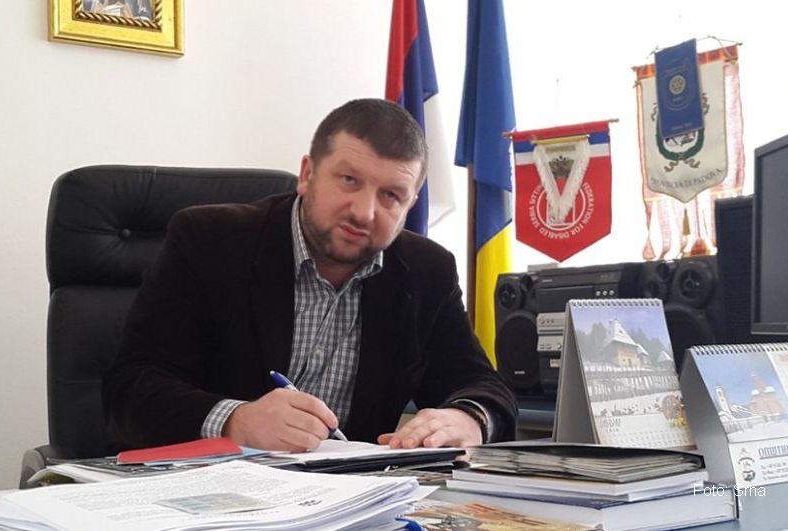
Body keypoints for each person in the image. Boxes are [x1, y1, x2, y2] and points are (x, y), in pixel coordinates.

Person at [102, 98, 517, 453]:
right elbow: (129, 390)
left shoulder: (426, 270)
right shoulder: (209, 240)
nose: (364, 212)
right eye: (349, 180)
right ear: (307, 174)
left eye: (391, 195)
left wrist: (469, 419)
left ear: (409, 205)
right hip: (203, 491)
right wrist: (235, 421)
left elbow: (480, 384)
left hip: (348, 500)